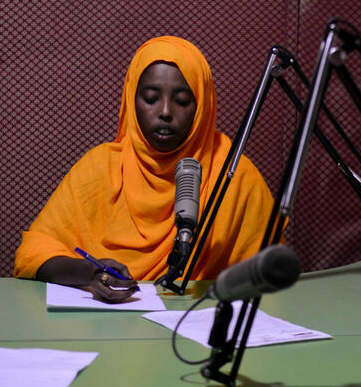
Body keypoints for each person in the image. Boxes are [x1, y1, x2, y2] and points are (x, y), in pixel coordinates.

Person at [14, 35, 274, 301]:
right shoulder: (98, 168)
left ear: (203, 106)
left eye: (182, 101)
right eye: (150, 98)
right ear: (131, 100)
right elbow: (33, 252)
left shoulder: (233, 174)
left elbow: (271, 273)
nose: (164, 111)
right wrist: (90, 273)